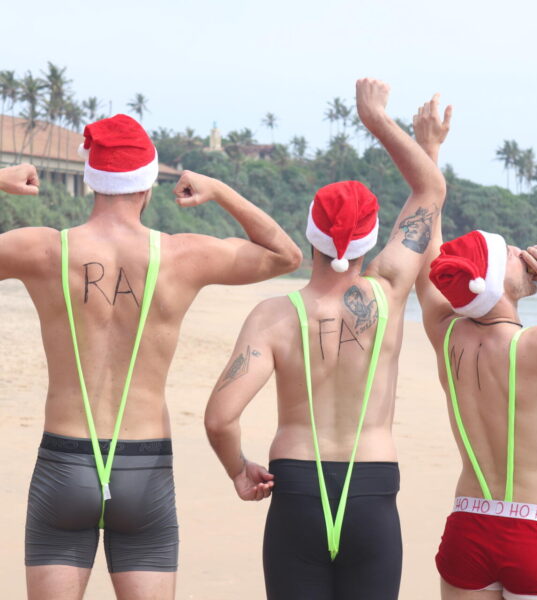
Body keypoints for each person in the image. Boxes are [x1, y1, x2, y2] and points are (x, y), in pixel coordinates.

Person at [0, 115, 302, 600]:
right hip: (145, 467)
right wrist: (219, 191)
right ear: (147, 186)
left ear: (90, 180)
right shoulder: (183, 256)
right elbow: (286, 256)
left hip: (64, 462)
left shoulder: (42, 249)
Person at [204, 78, 449, 600]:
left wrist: (239, 470)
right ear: (370, 239)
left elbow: (220, 417)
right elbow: (429, 191)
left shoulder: (274, 315)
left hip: (296, 487)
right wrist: (378, 120)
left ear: (311, 233)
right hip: (372, 488)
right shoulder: (388, 290)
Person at [413, 97, 537, 599]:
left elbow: (432, 254)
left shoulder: (445, 332)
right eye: (509, 253)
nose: (522, 251)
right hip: (532, 532)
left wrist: (430, 152)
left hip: (468, 522)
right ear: (498, 284)